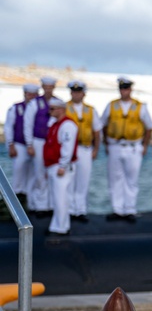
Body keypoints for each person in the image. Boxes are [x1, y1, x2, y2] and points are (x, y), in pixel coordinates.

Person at [101, 76, 152, 222]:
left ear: (130, 90)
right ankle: (117, 209)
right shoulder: (111, 106)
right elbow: (103, 124)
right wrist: (106, 143)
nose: (124, 91)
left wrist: (144, 145)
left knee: (132, 179)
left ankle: (130, 209)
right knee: (115, 178)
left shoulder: (140, 106)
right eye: (121, 88)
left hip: (133, 147)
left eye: (126, 88)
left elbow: (149, 127)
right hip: (115, 145)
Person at [65, 80, 101, 222]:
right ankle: (69, 209)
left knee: (83, 180)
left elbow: (97, 131)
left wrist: (96, 149)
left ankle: (80, 210)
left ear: (84, 94)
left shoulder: (91, 110)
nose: (76, 94)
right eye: (74, 92)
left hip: (85, 148)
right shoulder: (65, 108)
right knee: (69, 180)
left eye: (79, 92)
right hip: (69, 149)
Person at [42, 98, 78, 236]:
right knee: (57, 198)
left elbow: (67, 147)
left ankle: (60, 228)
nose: (49, 111)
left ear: (61, 109)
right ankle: (59, 225)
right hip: (53, 165)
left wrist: (63, 165)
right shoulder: (55, 124)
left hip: (60, 166)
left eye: (52, 109)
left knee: (60, 198)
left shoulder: (67, 125)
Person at [23, 75, 58, 215]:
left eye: (51, 87)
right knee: (39, 173)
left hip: (52, 143)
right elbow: (28, 124)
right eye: (46, 87)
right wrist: (29, 144)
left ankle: (50, 204)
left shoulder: (58, 102)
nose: (48, 90)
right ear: (43, 88)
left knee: (51, 173)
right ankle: (40, 205)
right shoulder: (35, 103)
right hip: (38, 141)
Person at [5, 83, 39, 206]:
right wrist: (10, 145)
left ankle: (29, 203)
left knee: (33, 175)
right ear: (24, 94)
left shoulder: (40, 109)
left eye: (34, 95)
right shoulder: (16, 108)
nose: (31, 97)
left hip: (34, 145)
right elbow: (9, 127)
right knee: (18, 172)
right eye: (29, 94)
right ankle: (15, 203)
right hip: (19, 144)